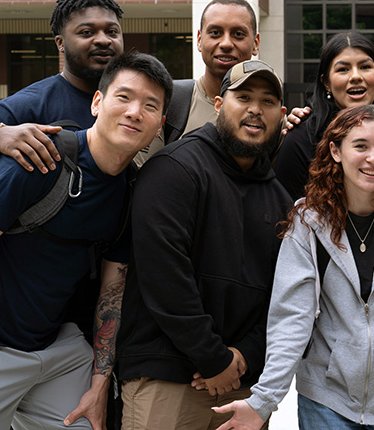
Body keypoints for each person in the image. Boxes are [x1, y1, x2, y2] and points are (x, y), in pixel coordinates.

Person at [0, 51, 172, 430]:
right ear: (97, 102)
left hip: (55, 351)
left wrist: (99, 385)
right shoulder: (41, 156)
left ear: (159, 124)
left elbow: (111, 295)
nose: (134, 112)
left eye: (149, 106)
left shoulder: (133, 192)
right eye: (124, 97)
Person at [214, 104, 374, 430]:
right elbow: (292, 319)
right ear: (335, 151)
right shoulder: (308, 222)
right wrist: (265, 400)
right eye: (360, 146)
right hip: (327, 399)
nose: (373, 159)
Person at [116, 60, 291, 430]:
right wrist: (213, 358)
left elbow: (284, 294)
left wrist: (244, 355)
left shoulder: (280, 200)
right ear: (217, 104)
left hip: (242, 386)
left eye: (268, 101)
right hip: (166, 379)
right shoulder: (174, 168)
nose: (255, 109)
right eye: (243, 96)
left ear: (282, 114)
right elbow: (163, 275)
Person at [0, 0, 125, 191]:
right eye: (86, 32)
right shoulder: (25, 106)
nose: (103, 40)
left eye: (112, 31)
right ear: (60, 43)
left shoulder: (141, 105)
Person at [134, 0, 261, 165]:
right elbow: (143, 177)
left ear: (255, 43)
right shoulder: (168, 101)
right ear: (199, 40)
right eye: (215, 33)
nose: (226, 43)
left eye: (238, 34)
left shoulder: (270, 114)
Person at [274, 31, 374, 200]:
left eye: (365, 67)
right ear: (326, 82)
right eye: (343, 69)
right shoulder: (300, 140)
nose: (355, 76)